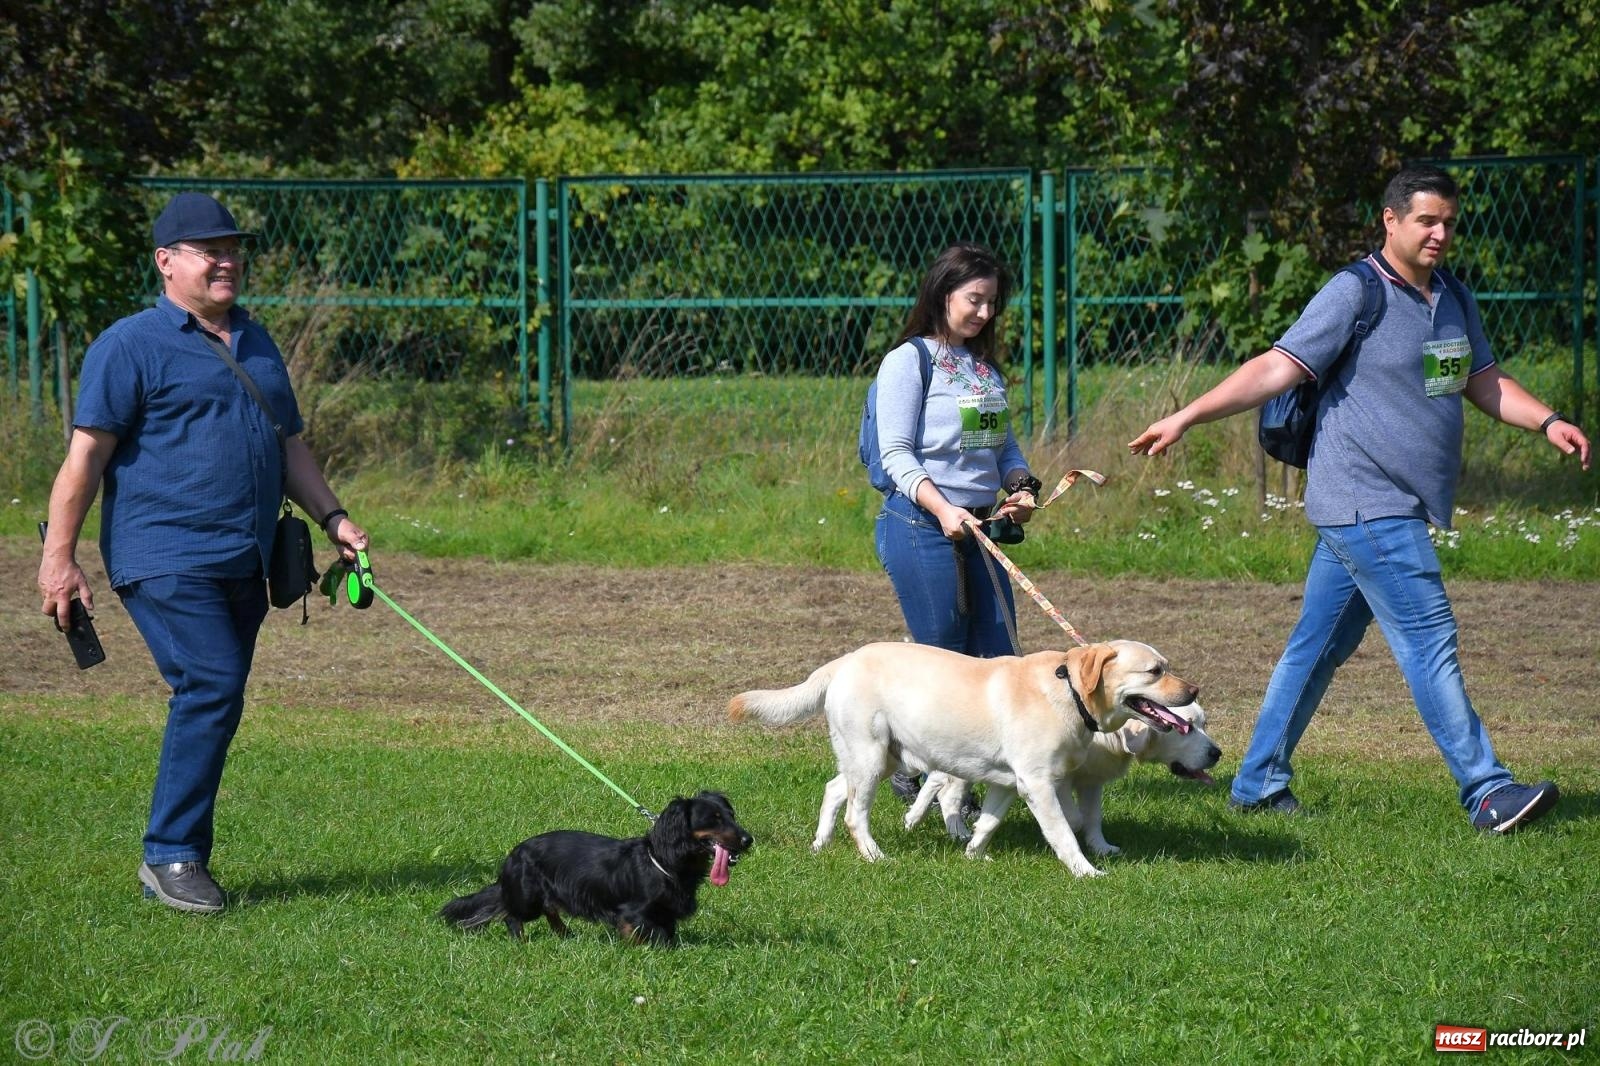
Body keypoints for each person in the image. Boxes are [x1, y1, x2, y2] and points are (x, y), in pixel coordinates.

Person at [1129, 164, 1590, 833]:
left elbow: (1482, 381)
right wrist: (1188, 415)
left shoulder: (1452, 297)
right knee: (1430, 640)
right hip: (1366, 501)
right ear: (1391, 220)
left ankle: (1257, 783)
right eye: (1426, 221)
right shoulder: (1356, 292)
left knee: (1313, 651)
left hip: (1386, 508)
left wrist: (1548, 420)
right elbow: (1277, 365)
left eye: (1449, 223)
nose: (1439, 234)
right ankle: (1488, 791)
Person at [37, 192, 370, 912]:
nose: (225, 260)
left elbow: (290, 446)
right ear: (166, 262)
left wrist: (334, 517)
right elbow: (84, 460)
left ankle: (176, 853)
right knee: (213, 684)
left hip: (245, 559)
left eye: (232, 248)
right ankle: (171, 856)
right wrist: (59, 556)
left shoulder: (257, 340)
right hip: (162, 554)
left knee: (216, 693)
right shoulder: (129, 345)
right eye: (206, 249)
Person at [873, 242, 1042, 801]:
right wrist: (944, 509)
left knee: (999, 659)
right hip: (921, 524)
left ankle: (970, 775)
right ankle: (909, 765)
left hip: (982, 530)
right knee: (942, 660)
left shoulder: (983, 369)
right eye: (975, 300)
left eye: (993, 303)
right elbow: (896, 452)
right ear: (943, 293)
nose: (985, 314)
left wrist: (1019, 487)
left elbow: (1005, 449)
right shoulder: (909, 360)